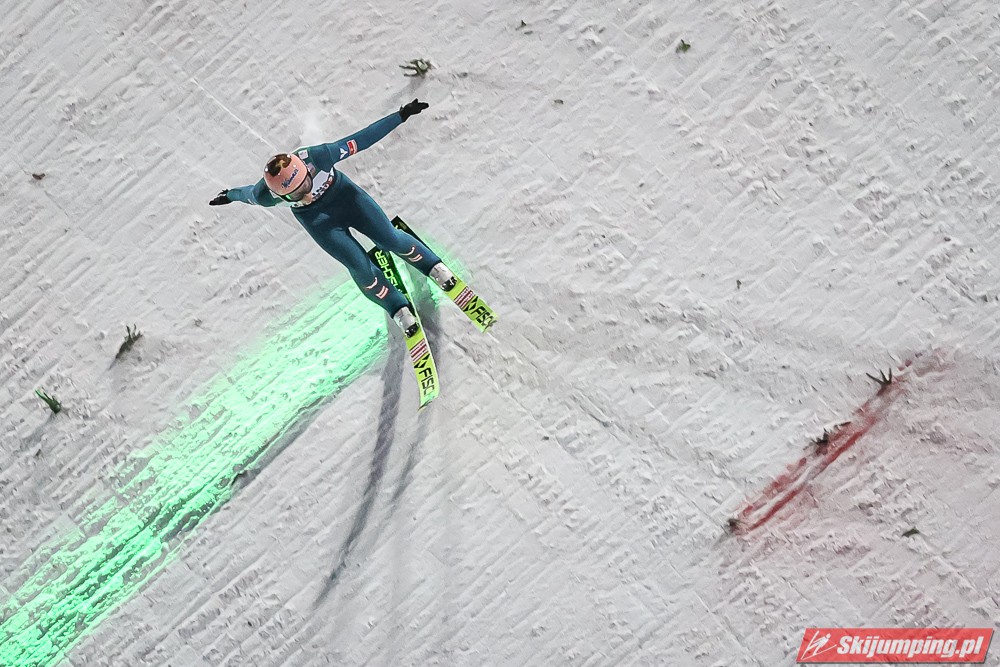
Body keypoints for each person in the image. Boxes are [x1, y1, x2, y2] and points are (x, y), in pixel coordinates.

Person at [209, 99, 455, 337]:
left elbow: (361, 139)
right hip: (318, 220)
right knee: (360, 269)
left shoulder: (319, 157)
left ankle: (432, 265)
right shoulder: (264, 195)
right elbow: (246, 194)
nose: (305, 193)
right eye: (294, 194)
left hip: (347, 199)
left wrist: (400, 115)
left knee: (389, 238)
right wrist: (229, 195)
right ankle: (396, 306)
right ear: (279, 194)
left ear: (307, 170)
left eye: (305, 184)